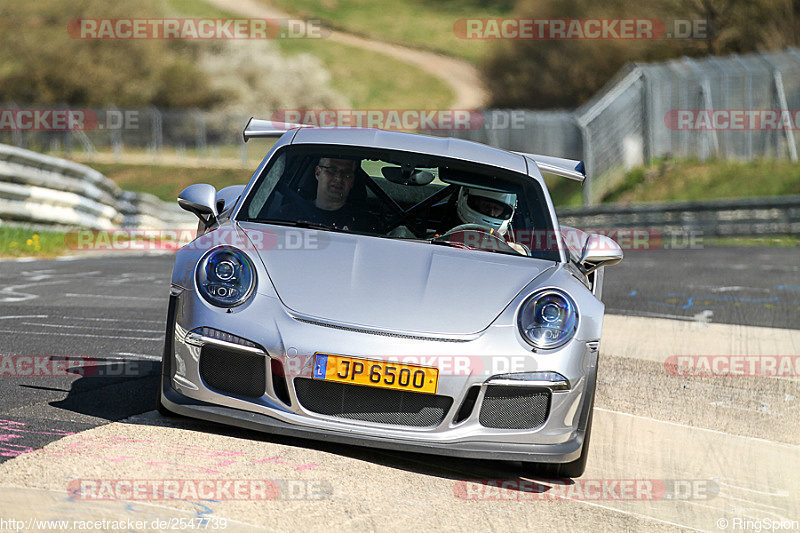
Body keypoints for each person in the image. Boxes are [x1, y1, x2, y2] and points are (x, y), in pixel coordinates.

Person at [277, 156, 380, 233]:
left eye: (346, 174)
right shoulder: (287, 215)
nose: (339, 178)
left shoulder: (366, 224)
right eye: (332, 170)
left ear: (352, 181)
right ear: (318, 173)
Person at [454, 187, 528, 254]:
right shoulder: (447, 219)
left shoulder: (513, 234)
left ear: (505, 211)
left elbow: (525, 253)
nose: (491, 213)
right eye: (486, 206)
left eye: (496, 209)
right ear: (475, 203)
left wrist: (503, 246)